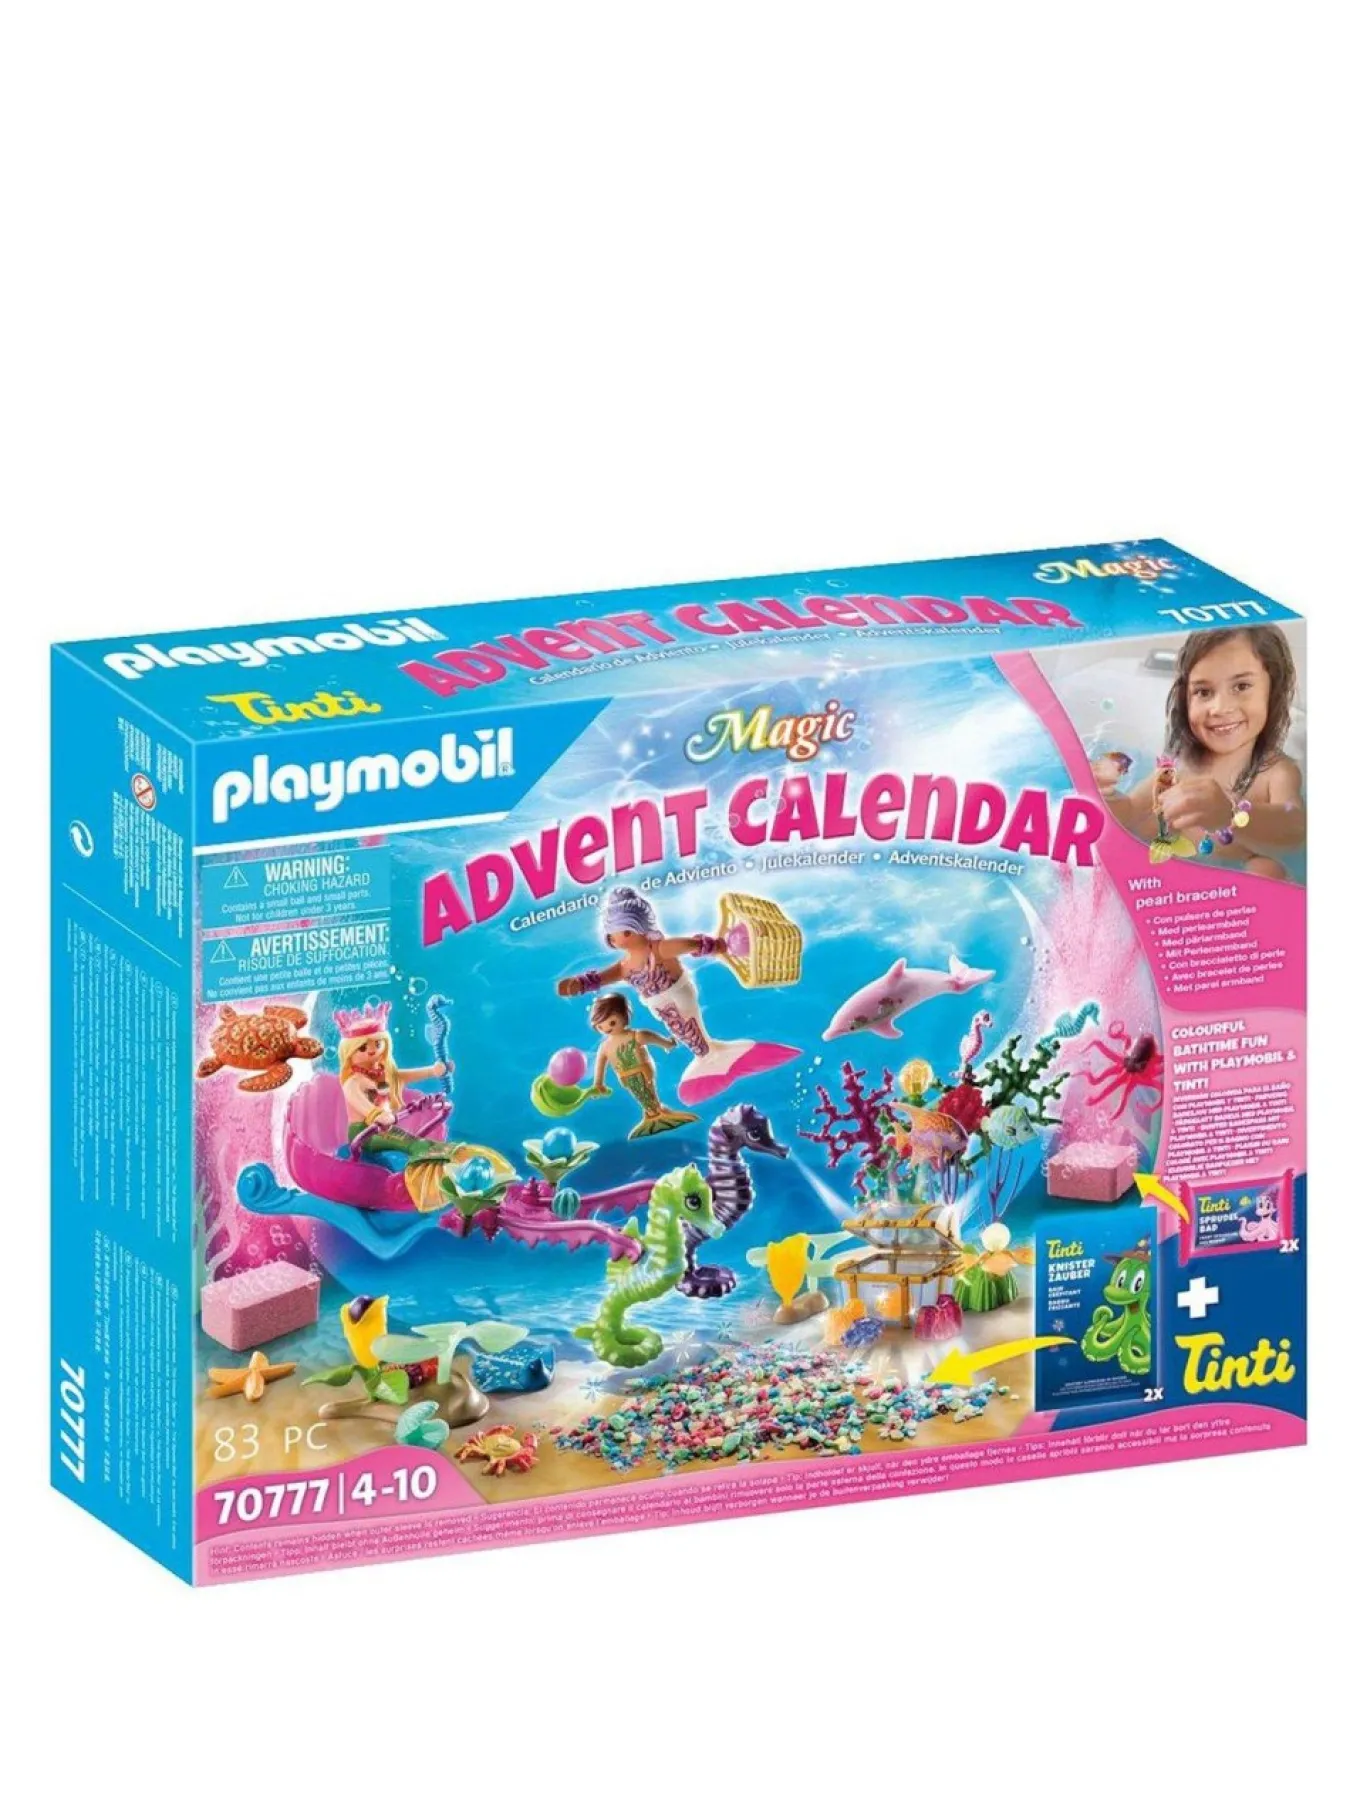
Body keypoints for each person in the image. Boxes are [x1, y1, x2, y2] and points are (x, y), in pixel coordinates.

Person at [1091, 625, 1304, 879]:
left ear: (1273, 689)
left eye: (1241, 686)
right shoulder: (1182, 766)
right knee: (1143, 833)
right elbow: (1131, 811)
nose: (1220, 708)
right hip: (1181, 870)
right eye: (1204, 692)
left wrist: (1231, 814)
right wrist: (1105, 796)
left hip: (1241, 868)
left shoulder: (1275, 771)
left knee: (1266, 868)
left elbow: (1296, 827)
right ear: (1185, 699)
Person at [556, 885, 798, 1104]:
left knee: (690, 1031)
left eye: (621, 931)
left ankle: (712, 1057)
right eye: (611, 935)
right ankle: (711, 1056)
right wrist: (581, 984)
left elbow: (686, 944)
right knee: (686, 1034)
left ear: (637, 928)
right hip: (660, 1007)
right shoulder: (625, 966)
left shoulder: (658, 949)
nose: (615, 938)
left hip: (678, 994)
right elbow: (602, 977)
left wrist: (713, 945)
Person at [587, 992, 698, 1138]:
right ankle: (654, 1114)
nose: (606, 1028)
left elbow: (654, 1038)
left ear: (624, 1017)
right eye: (600, 1026)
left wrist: (668, 1044)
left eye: (612, 1022)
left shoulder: (636, 1036)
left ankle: (656, 1113)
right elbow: (600, 1065)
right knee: (641, 1096)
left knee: (648, 1092)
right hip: (626, 1078)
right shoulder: (605, 1047)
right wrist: (598, 1083)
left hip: (643, 1071)